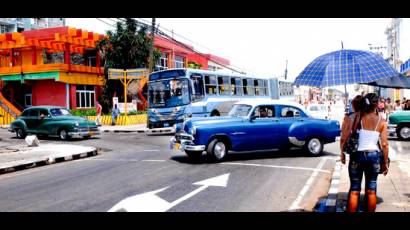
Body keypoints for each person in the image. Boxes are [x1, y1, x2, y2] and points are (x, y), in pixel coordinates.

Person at [342, 93, 389, 212]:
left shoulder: (357, 117)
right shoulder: (382, 121)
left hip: (357, 156)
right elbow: (384, 144)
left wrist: (342, 152)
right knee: (371, 190)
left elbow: (346, 135)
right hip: (374, 156)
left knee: (354, 190)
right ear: (377, 104)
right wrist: (385, 162)